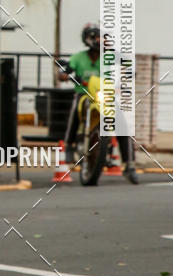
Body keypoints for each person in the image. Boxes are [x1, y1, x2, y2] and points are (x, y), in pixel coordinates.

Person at [59, 23, 138, 184]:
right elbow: (64, 72)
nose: (99, 40)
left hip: (105, 96)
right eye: (95, 37)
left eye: (101, 37)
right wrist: (65, 73)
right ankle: (68, 146)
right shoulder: (78, 57)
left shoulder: (109, 55)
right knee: (75, 111)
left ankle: (129, 165)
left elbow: (127, 64)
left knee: (122, 125)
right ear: (87, 39)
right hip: (84, 95)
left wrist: (127, 76)